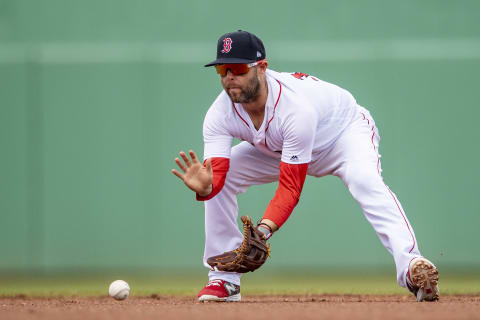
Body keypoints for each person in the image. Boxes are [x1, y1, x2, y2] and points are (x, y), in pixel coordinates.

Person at [171, 30, 439, 302]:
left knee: (364, 180)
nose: (230, 77)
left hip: (342, 135)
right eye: (222, 69)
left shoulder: (295, 108)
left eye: (238, 68)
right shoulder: (219, 114)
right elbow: (216, 174)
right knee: (222, 181)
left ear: (261, 67)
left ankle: (411, 266)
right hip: (278, 147)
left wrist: (262, 232)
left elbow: (290, 187)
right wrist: (208, 187)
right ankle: (224, 281)